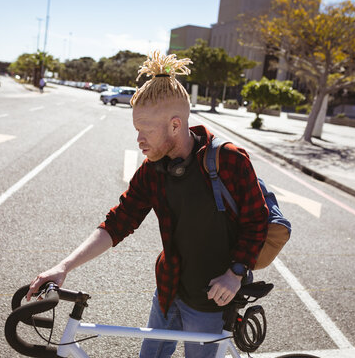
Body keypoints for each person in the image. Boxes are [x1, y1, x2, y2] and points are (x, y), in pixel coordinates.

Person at [27, 51, 268, 357]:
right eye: (136, 129)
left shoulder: (228, 160)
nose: (138, 139)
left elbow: (257, 222)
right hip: (168, 292)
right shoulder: (152, 170)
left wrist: (234, 274)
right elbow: (117, 223)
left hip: (212, 301)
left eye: (145, 130)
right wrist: (64, 267)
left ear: (176, 125)